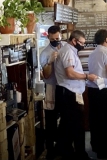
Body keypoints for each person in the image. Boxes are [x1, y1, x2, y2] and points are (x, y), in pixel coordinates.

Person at [54, 30, 97, 160]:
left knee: (67, 125)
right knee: (77, 125)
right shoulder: (68, 51)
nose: (83, 46)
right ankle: (80, 154)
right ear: (74, 41)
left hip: (71, 91)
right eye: (81, 43)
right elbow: (70, 73)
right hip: (68, 92)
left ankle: (64, 150)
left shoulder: (71, 51)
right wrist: (87, 76)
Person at [87, 29, 107, 159]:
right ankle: (103, 151)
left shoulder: (93, 52)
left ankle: (95, 146)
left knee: (95, 121)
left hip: (93, 89)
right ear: (106, 39)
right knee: (104, 121)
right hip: (104, 89)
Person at [40, 25, 64, 160]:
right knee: (51, 121)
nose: (56, 40)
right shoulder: (45, 53)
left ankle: (62, 146)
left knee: (65, 119)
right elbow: (47, 75)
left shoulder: (65, 47)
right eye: (54, 38)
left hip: (64, 87)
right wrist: (50, 62)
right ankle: (50, 151)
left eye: (58, 38)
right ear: (48, 36)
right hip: (51, 88)